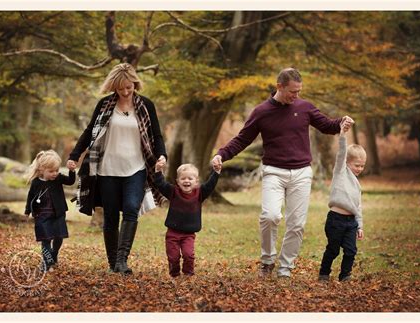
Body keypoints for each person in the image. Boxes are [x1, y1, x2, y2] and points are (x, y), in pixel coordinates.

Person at [212, 67, 354, 279]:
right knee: (270, 216)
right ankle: (268, 260)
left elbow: (326, 125)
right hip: (274, 172)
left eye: (299, 91)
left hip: (302, 173)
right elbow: (243, 138)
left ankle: (285, 268)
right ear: (279, 86)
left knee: (296, 224)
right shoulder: (261, 112)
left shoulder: (304, 107)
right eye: (292, 92)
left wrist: (341, 122)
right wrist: (221, 154)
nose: (296, 96)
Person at [67, 63, 167, 275]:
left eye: (129, 87)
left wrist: (161, 156)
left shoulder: (146, 105)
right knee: (111, 217)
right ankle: (113, 263)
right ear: (114, 86)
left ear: (134, 84)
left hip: (136, 168)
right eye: (120, 88)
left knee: (131, 209)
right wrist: (74, 156)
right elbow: (89, 132)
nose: (125, 91)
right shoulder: (104, 105)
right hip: (107, 169)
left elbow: (156, 135)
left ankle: (122, 260)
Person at [154, 161, 221, 277]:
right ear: (177, 181)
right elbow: (161, 185)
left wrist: (216, 172)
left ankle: (188, 274)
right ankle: (174, 275)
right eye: (183, 178)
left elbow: (210, 185)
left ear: (196, 182)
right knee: (173, 257)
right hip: (172, 233)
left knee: (188, 254)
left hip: (188, 234)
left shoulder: (200, 193)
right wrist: (158, 171)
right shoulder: (173, 192)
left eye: (190, 178)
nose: (186, 181)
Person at [318, 119, 366, 282]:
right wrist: (343, 134)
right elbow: (341, 153)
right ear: (347, 163)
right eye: (357, 165)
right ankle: (324, 273)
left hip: (351, 221)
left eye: (362, 166)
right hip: (336, 220)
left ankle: (345, 275)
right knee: (333, 250)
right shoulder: (340, 172)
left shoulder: (357, 185)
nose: (360, 169)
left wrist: (359, 225)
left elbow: (358, 206)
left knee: (351, 251)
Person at [24, 150, 76, 272]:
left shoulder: (58, 178)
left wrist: (72, 171)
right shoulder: (36, 182)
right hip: (42, 216)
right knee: (45, 240)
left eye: (57, 170)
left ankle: (54, 254)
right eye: (51, 171)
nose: (55, 173)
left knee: (59, 237)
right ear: (42, 169)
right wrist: (27, 211)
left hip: (58, 214)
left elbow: (70, 181)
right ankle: (47, 263)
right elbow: (30, 196)